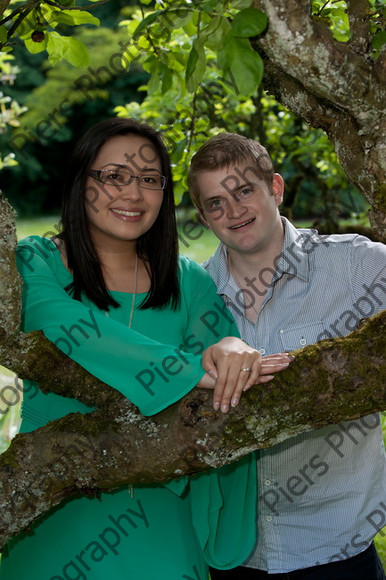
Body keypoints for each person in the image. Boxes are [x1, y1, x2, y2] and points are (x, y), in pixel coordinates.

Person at [0, 119, 291, 580]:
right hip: (54, 507)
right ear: (81, 183)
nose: (133, 194)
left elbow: (223, 351)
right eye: (114, 176)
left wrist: (234, 348)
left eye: (150, 180)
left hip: (161, 525)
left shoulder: (187, 279)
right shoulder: (38, 259)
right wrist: (187, 369)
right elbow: (55, 318)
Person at [187, 132, 386, 579]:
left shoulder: (355, 266)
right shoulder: (191, 297)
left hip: (338, 549)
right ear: (203, 216)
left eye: (244, 191)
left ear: (274, 188)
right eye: (216, 203)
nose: (234, 211)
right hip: (231, 554)